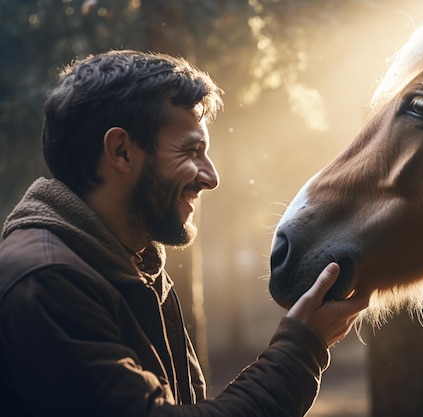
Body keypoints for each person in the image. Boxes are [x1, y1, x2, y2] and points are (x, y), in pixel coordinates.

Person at [0, 50, 368, 417]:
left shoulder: (133, 265)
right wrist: (302, 349)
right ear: (122, 151)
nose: (211, 177)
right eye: (191, 151)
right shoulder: (48, 281)